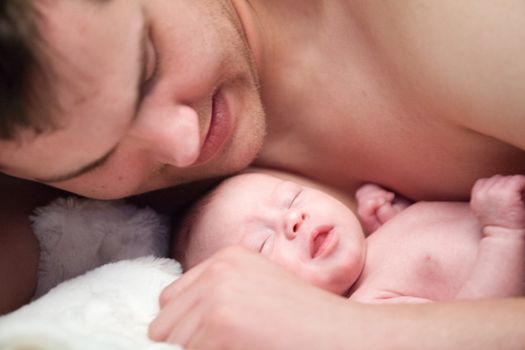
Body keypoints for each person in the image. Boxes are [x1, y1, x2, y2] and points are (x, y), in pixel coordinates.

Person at [1, 0, 525, 348]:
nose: (184, 146)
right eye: (98, 158)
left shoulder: (456, 25)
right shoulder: (36, 166)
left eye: (150, 65)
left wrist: (350, 334)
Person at [151, 170, 523, 325]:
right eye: (262, 245)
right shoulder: (368, 314)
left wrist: (395, 217)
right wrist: (506, 235)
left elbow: (430, 257)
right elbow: (471, 331)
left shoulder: (374, 248)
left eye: (291, 197)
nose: (293, 219)